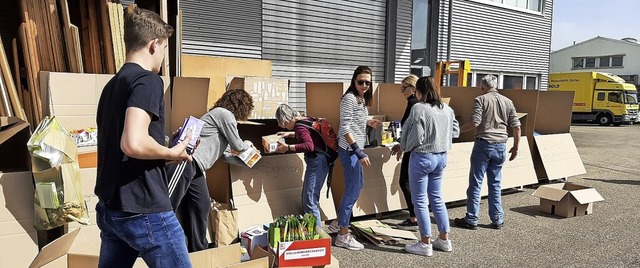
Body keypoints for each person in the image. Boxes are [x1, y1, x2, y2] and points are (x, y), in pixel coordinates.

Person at [95, 6, 192, 267]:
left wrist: (162, 147)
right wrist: (172, 152)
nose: (162, 56)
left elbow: (125, 142)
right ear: (154, 44)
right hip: (143, 208)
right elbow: (133, 143)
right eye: (164, 48)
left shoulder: (111, 86)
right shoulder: (147, 81)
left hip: (111, 208)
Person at [166, 89, 255, 252]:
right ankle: (164, 248)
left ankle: (197, 251)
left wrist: (248, 162)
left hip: (197, 168)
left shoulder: (223, 123)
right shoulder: (223, 114)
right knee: (168, 206)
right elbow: (238, 145)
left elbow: (227, 155)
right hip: (185, 161)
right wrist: (249, 146)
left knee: (202, 204)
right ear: (241, 106)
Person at [398, 76, 459, 256]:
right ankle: (444, 239)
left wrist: (404, 146)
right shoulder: (447, 109)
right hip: (441, 157)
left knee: (420, 201)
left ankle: (425, 243)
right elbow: (455, 131)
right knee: (437, 198)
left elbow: (415, 136)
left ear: (419, 91)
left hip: (422, 157)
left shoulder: (418, 107)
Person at [454, 74, 521, 230]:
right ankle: (497, 219)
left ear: (482, 86)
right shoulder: (508, 101)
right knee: (495, 183)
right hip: (501, 146)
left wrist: (456, 131)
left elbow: (475, 122)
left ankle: (471, 218)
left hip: (484, 144)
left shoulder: (481, 100)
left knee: (476, 183)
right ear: (496, 85)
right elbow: (516, 126)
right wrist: (516, 147)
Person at [327, 66, 381, 250]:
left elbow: (354, 120)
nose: (364, 85)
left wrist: (368, 121)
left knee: (356, 186)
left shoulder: (362, 98)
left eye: (368, 82)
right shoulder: (349, 98)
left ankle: (337, 223)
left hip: (354, 149)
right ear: (354, 81)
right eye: (361, 82)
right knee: (353, 189)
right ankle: (343, 234)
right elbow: (344, 128)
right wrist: (358, 151)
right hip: (349, 150)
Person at [273, 103, 330, 228]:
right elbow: (309, 135)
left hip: (316, 162)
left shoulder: (299, 127)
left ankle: (318, 237)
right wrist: (289, 134)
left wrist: (287, 147)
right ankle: (317, 235)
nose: (279, 124)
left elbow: (309, 146)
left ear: (284, 119)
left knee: (309, 201)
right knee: (311, 198)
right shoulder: (306, 119)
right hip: (323, 160)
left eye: (279, 121)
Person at [391, 74, 420, 230]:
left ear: (413, 88)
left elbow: (409, 129)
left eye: (404, 88)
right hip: (416, 149)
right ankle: (416, 216)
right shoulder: (419, 103)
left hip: (412, 149)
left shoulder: (413, 104)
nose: (402, 91)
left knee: (405, 182)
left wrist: (402, 146)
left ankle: (414, 217)